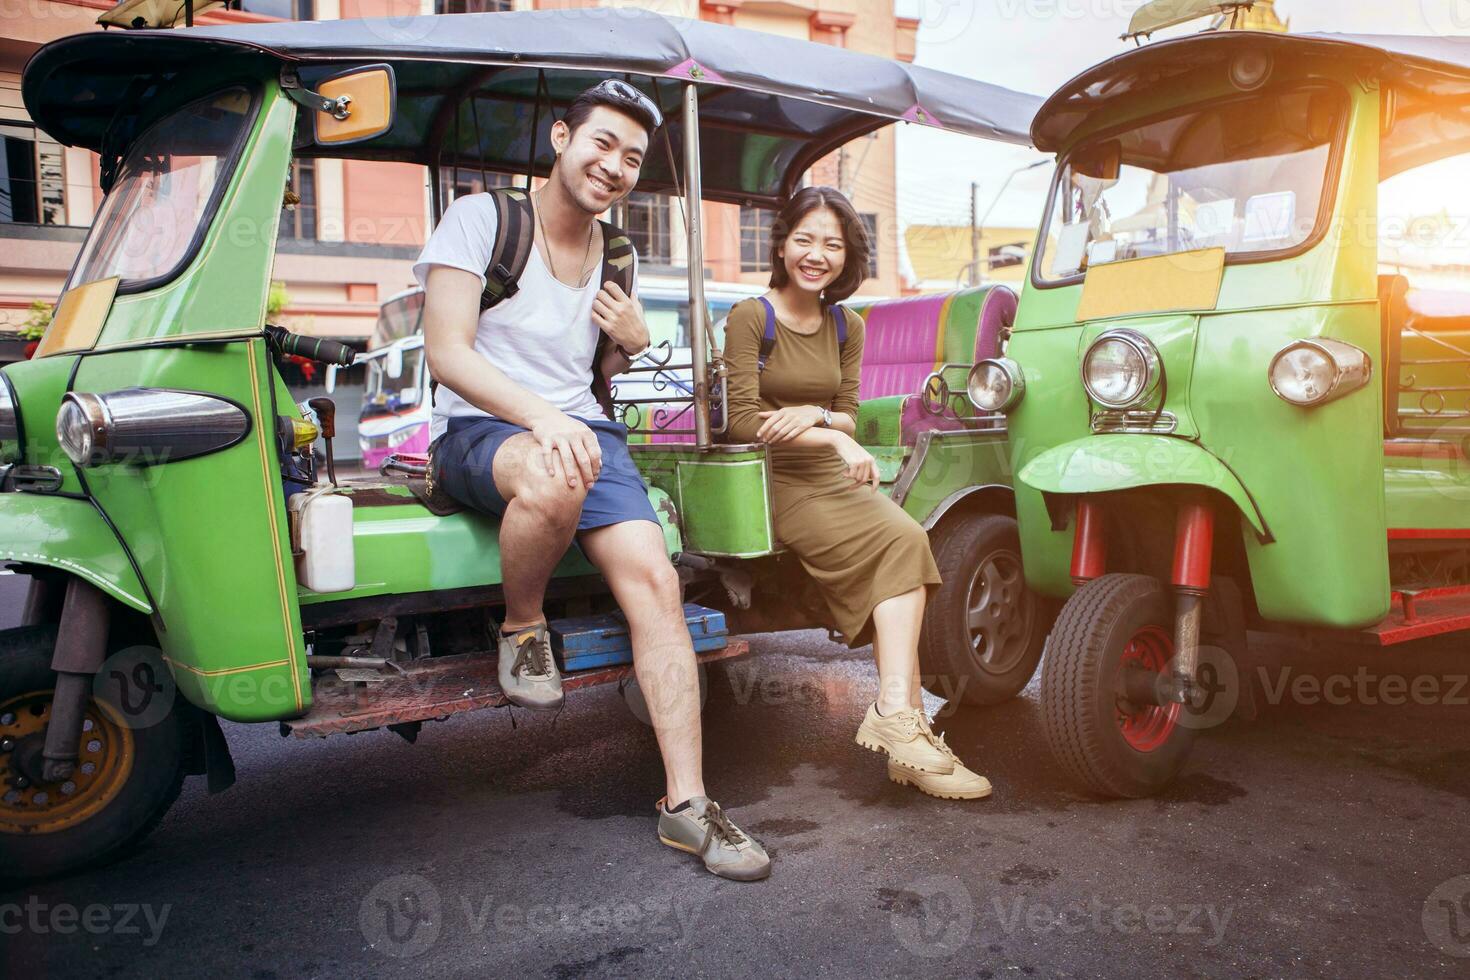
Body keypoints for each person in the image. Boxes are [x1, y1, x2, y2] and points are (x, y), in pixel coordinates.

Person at [416, 80, 770, 880]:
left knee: (656, 581)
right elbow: (449, 352)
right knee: (556, 474)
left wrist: (634, 343)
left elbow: (595, 368)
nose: (614, 167)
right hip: (481, 426)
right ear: (560, 138)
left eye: (632, 159)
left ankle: (687, 807)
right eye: (601, 144)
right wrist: (544, 419)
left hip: (584, 430)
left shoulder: (618, 253)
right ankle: (523, 626)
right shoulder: (485, 220)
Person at [722, 186, 991, 801]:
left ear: (848, 256)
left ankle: (904, 730)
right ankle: (906, 729)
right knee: (900, 551)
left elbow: (847, 413)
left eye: (833, 244)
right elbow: (740, 422)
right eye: (806, 240)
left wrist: (819, 419)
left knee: (904, 543)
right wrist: (834, 440)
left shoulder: (848, 323)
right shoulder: (751, 317)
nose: (817, 254)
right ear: (783, 244)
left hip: (829, 479)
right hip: (774, 482)